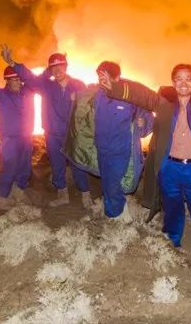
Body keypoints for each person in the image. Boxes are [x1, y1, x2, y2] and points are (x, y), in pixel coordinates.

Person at [99, 63, 191, 257]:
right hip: (170, 166)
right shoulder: (163, 101)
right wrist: (114, 86)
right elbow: (140, 94)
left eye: (188, 79)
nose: (183, 83)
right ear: (173, 82)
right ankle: (173, 240)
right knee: (171, 207)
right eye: (179, 79)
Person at [1, 45, 92, 208]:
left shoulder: (78, 86)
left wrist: (78, 96)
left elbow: (92, 100)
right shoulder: (47, 86)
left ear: (66, 67)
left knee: (78, 165)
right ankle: (62, 195)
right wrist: (13, 63)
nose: (57, 72)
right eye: (54, 69)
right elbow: (29, 78)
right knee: (57, 166)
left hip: (73, 135)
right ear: (50, 71)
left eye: (60, 67)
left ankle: (86, 195)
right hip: (53, 135)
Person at [65, 61, 153, 219]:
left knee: (112, 186)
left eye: (105, 78)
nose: (101, 81)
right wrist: (76, 96)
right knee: (107, 184)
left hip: (120, 151)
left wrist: (143, 123)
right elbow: (85, 94)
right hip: (101, 149)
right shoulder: (98, 93)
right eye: (100, 77)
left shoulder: (130, 95)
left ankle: (115, 217)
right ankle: (122, 211)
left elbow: (147, 117)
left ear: (117, 78)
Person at [0, 64, 36, 211]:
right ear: (7, 81)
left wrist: (13, 62)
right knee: (9, 167)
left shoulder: (28, 92)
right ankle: (3, 198)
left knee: (25, 166)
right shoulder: (1, 96)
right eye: (14, 80)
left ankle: (19, 192)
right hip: (9, 139)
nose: (18, 83)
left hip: (26, 138)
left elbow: (33, 79)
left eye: (19, 79)